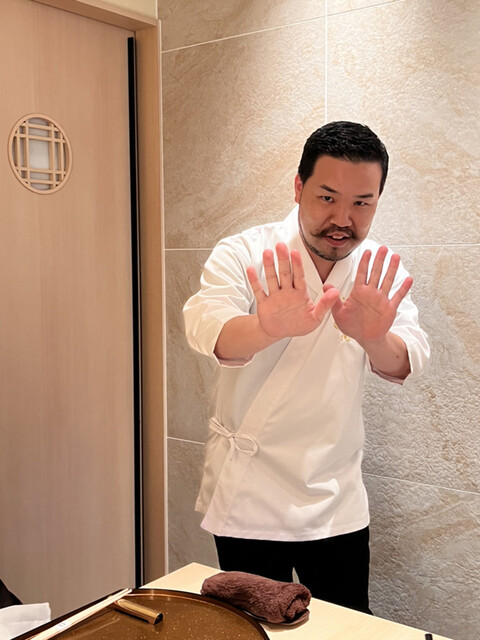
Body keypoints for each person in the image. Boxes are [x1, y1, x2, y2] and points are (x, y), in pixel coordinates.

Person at [183, 121, 429, 614]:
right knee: (252, 628)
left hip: (333, 496)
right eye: (327, 197)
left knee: (346, 626)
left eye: (362, 203)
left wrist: (372, 336)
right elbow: (207, 328)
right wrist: (268, 327)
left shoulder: (377, 270)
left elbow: (406, 360)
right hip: (250, 494)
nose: (343, 219)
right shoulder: (245, 252)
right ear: (298, 187)